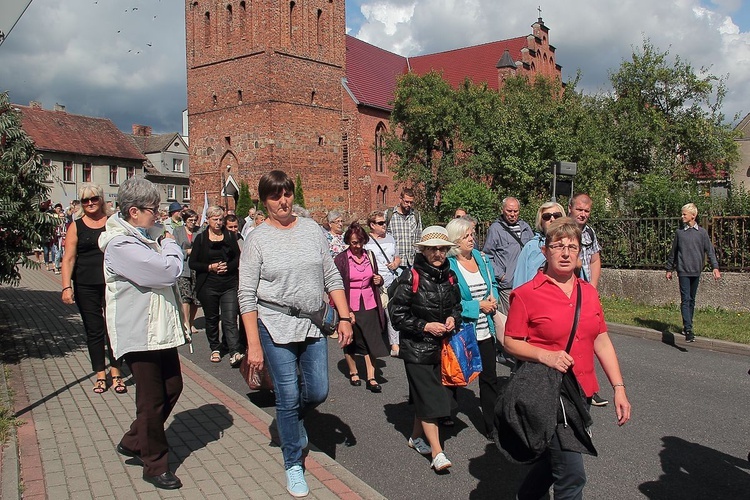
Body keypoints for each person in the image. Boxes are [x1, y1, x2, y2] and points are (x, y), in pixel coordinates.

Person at [239, 170, 353, 497]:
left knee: (317, 391)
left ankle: (291, 421)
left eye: (287, 194)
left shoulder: (311, 230)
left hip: (312, 321)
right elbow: (246, 295)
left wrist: (344, 317)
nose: (284, 201)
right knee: (287, 396)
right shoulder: (257, 239)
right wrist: (253, 345)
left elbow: (331, 275)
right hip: (273, 324)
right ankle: (293, 461)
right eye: (276, 196)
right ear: (264, 202)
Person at [504, 217, 632, 499]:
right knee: (572, 475)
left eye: (572, 247)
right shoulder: (526, 295)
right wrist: (544, 355)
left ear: (579, 253)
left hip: (581, 392)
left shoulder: (589, 293)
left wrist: (619, 389)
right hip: (549, 392)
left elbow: (601, 340)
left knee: (553, 463)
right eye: (558, 246)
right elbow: (511, 342)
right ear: (545, 251)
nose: (565, 253)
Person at [99, 176, 187, 490]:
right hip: (139, 331)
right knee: (150, 401)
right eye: (153, 210)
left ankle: (134, 440)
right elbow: (167, 272)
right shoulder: (121, 244)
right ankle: (155, 465)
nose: (158, 215)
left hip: (158, 330)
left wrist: (162, 241)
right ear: (133, 212)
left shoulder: (143, 235)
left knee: (173, 387)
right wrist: (170, 243)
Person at [388, 226, 462, 472]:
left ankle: (415, 436)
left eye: (442, 248)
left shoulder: (450, 276)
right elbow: (396, 314)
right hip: (416, 349)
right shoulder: (411, 276)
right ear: (424, 250)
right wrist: (424, 325)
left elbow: (457, 306)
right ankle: (438, 452)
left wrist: (453, 319)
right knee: (431, 398)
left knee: (424, 396)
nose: (438, 253)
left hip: (441, 349)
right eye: (433, 249)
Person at [60, 184, 125, 394]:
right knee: (94, 330)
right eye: (85, 201)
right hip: (85, 284)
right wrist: (66, 287)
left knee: (114, 328)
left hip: (112, 283)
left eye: (93, 199)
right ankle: (99, 374)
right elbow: (68, 258)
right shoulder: (76, 226)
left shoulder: (113, 223)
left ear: (101, 199)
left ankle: (117, 372)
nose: (89, 203)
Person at [446, 218, 499, 440]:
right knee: (456, 375)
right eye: (467, 235)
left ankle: (492, 426)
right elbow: (450, 301)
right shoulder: (449, 266)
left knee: (490, 378)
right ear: (456, 239)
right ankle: (446, 411)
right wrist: (478, 306)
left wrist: (492, 298)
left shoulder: (481, 258)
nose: (472, 239)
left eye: (472, 234)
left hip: (485, 329)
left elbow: (492, 283)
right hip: (462, 330)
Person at [334, 223, 388, 392]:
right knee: (351, 339)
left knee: (370, 339)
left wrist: (379, 280)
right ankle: (353, 371)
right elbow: (336, 286)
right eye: (353, 243)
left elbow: (377, 278)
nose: (356, 246)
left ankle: (371, 377)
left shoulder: (369, 256)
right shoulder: (341, 259)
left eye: (359, 242)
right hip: (349, 304)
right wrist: (344, 311)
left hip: (369, 302)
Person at [189, 205, 244, 366]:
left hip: (228, 283)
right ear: (208, 220)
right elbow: (193, 263)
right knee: (212, 318)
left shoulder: (229, 236)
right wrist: (210, 267)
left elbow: (237, 257)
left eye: (221, 219)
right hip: (208, 285)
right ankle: (215, 347)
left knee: (230, 317)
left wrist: (228, 266)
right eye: (215, 219)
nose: (219, 222)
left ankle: (234, 351)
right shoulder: (201, 238)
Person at [568, 193, 607, 406]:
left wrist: (592, 288)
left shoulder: (589, 233)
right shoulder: (561, 230)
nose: (583, 214)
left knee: (589, 338)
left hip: (584, 293)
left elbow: (595, 260)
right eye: (579, 209)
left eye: (587, 211)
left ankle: (587, 387)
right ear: (570, 208)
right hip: (565, 294)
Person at [666, 203, 721, 342]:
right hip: (683, 270)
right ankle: (688, 329)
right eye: (682, 214)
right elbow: (673, 252)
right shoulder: (680, 233)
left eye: (684, 214)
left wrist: (715, 267)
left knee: (692, 300)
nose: (682, 216)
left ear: (693, 215)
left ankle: (687, 326)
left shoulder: (701, 233)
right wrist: (669, 269)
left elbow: (710, 251)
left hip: (696, 271)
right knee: (686, 299)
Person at [483, 196, 534, 314]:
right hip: (508, 285)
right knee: (511, 317)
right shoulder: (495, 229)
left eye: (515, 211)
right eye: (509, 211)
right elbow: (487, 256)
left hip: (526, 282)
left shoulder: (525, 227)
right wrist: (501, 275)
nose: (512, 214)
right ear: (503, 210)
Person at [364, 210, 402, 357]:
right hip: (373, 283)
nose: (384, 225)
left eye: (385, 222)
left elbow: (398, 257)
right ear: (372, 225)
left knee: (391, 312)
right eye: (380, 223)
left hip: (390, 281)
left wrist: (395, 264)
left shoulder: (391, 239)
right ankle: (373, 343)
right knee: (374, 314)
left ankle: (394, 344)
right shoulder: (366, 241)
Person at [513, 202, 566, 288]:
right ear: (541, 222)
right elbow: (520, 281)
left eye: (556, 216)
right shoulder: (530, 247)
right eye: (546, 217)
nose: (552, 219)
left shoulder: (571, 244)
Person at [172, 209, 201, 334]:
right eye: (190, 220)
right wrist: (187, 252)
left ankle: (191, 322)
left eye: (195, 220)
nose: (193, 223)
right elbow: (175, 248)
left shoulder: (200, 231)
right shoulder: (178, 231)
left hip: (196, 267)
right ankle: (185, 323)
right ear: (185, 221)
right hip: (183, 267)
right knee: (185, 296)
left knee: (195, 297)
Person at [386, 188, 423, 270]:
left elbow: (419, 239)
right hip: (394, 263)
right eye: (406, 202)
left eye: (411, 202)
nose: (409, 205)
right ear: (400, 199)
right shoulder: (389, 214)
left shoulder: (415, 215)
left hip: (411, 262)